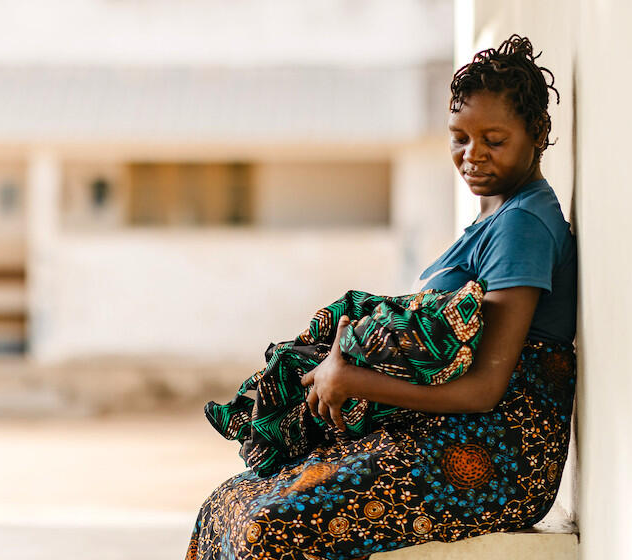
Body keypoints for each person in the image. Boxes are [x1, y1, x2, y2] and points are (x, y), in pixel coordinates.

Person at [185, 34, 577, 560]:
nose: (472, 154)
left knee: (269, 526)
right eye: (459, 137)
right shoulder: (496, 213)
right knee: (228, 503)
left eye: (494, 139)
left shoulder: (523, 225)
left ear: (538, 133)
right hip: (448, 432)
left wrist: (350, 380)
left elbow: (485, 388)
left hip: (494, 454)